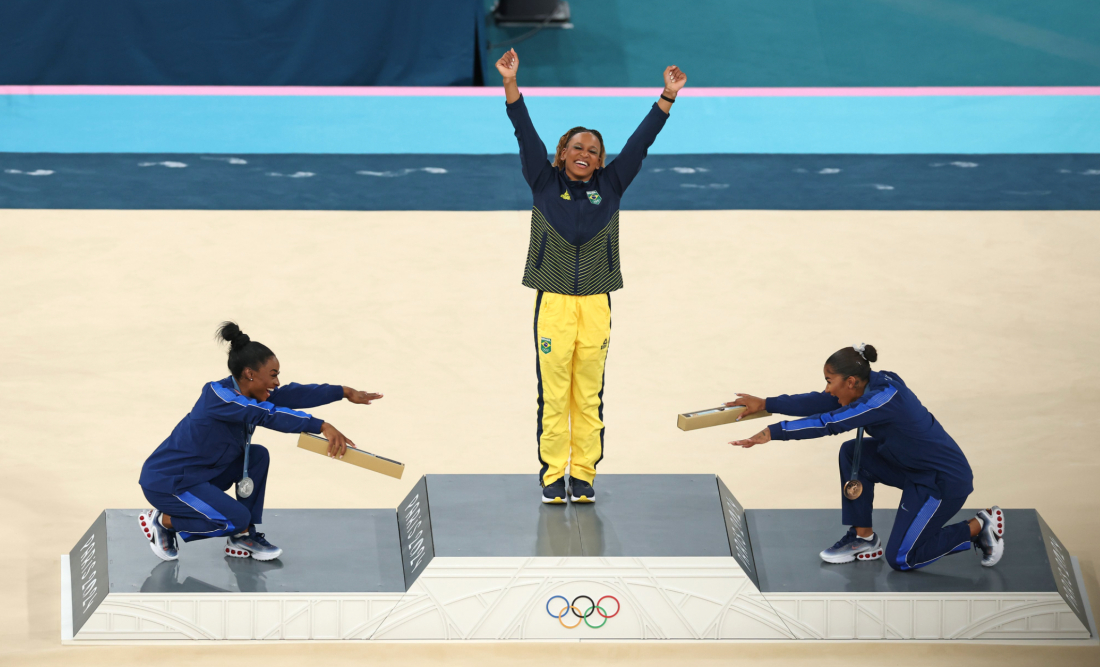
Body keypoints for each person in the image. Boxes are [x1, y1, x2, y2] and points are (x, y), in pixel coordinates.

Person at [495, 48, 687, 505]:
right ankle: (550, 475)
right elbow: (524, 133)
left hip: (597, 302)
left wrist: (667, 97)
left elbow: (640, 143)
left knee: (589, 394)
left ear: (601, 162)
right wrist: (510, 84)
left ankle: (582, 475)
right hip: (555, 304)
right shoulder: (542, 181)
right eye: (577, 147)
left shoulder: (612, 185)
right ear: (561, 154)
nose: (585, 154)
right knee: (555, 392)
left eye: (593, 151)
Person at [727, 344, 1005, 570]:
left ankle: (979, 526)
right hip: (909, 468)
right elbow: (822, 402)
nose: (827, 388)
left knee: (902, 558)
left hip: (942, 482)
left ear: (850, 381)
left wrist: (773, 432)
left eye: (829, 381)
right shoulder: (866, 385)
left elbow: (828, 422)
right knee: (852, 452)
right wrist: (766, 404)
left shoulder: (882, 399)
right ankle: (863, 539)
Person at [137, 322, 383, 562]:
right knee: (235, 519)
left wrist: (343, 392)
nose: (276, 382)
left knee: (257, 455)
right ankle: (163, 521)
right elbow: (265, 414)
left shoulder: (251, 392)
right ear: (249, 374)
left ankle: (243, 537)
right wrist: (322, 426)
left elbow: (293, 393)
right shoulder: (218, 396)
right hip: (169, 481)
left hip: (202, 473)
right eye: (273, 375)